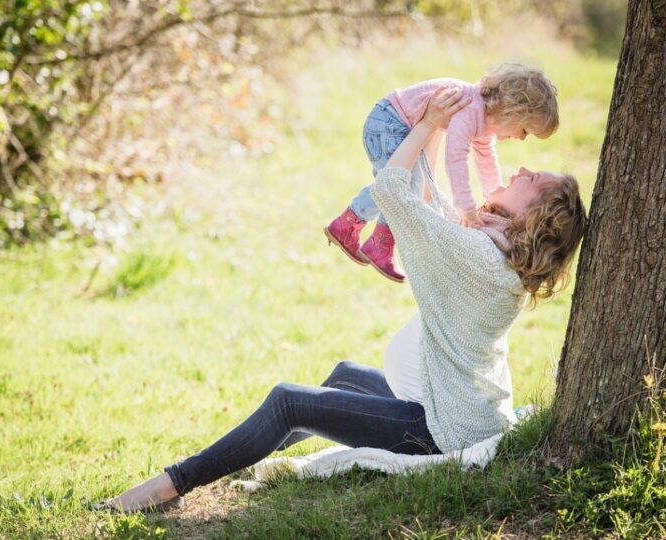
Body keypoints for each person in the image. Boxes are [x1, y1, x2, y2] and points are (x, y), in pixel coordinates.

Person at [93, 87, 585, 513]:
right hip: (452, 406)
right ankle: (230, 458)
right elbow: (433, 205)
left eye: (535, 180)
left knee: (290, 401)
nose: (522, 168)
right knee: (344, 376)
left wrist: (431, 123)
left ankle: (169, 485)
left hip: (439, 428)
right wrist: (437, 132)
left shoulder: (478, 257)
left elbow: (393, 190)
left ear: (535, 217)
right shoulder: (497, 254)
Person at [324, 63, 559, 282]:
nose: (521, 138)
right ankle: (376, 242)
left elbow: (487, 160)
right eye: (525, 130)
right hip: (389, 123)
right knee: (401, 185)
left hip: (395, 123)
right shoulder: (471, 109)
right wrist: (465, 207)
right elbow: (455, 157)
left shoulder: (484, 119)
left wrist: (493, 196)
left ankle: (351, 227)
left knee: (402, 185)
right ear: (513, 112)